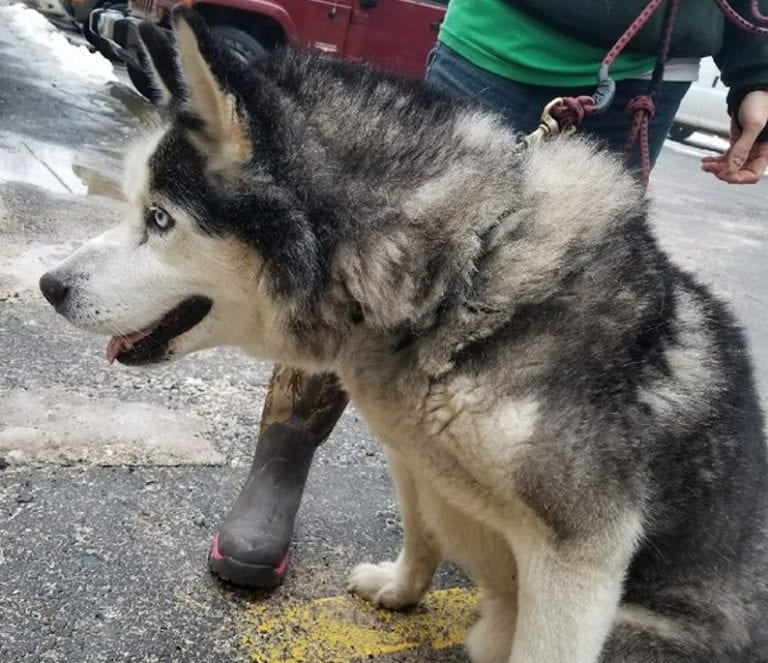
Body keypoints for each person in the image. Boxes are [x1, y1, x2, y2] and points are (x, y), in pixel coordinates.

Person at [207, 0, 768, 588]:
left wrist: (755, 68)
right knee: (362, 281)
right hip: (498, 46)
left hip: (649, 74)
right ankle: (284, 461)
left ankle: (505, 517)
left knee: (573, 337)